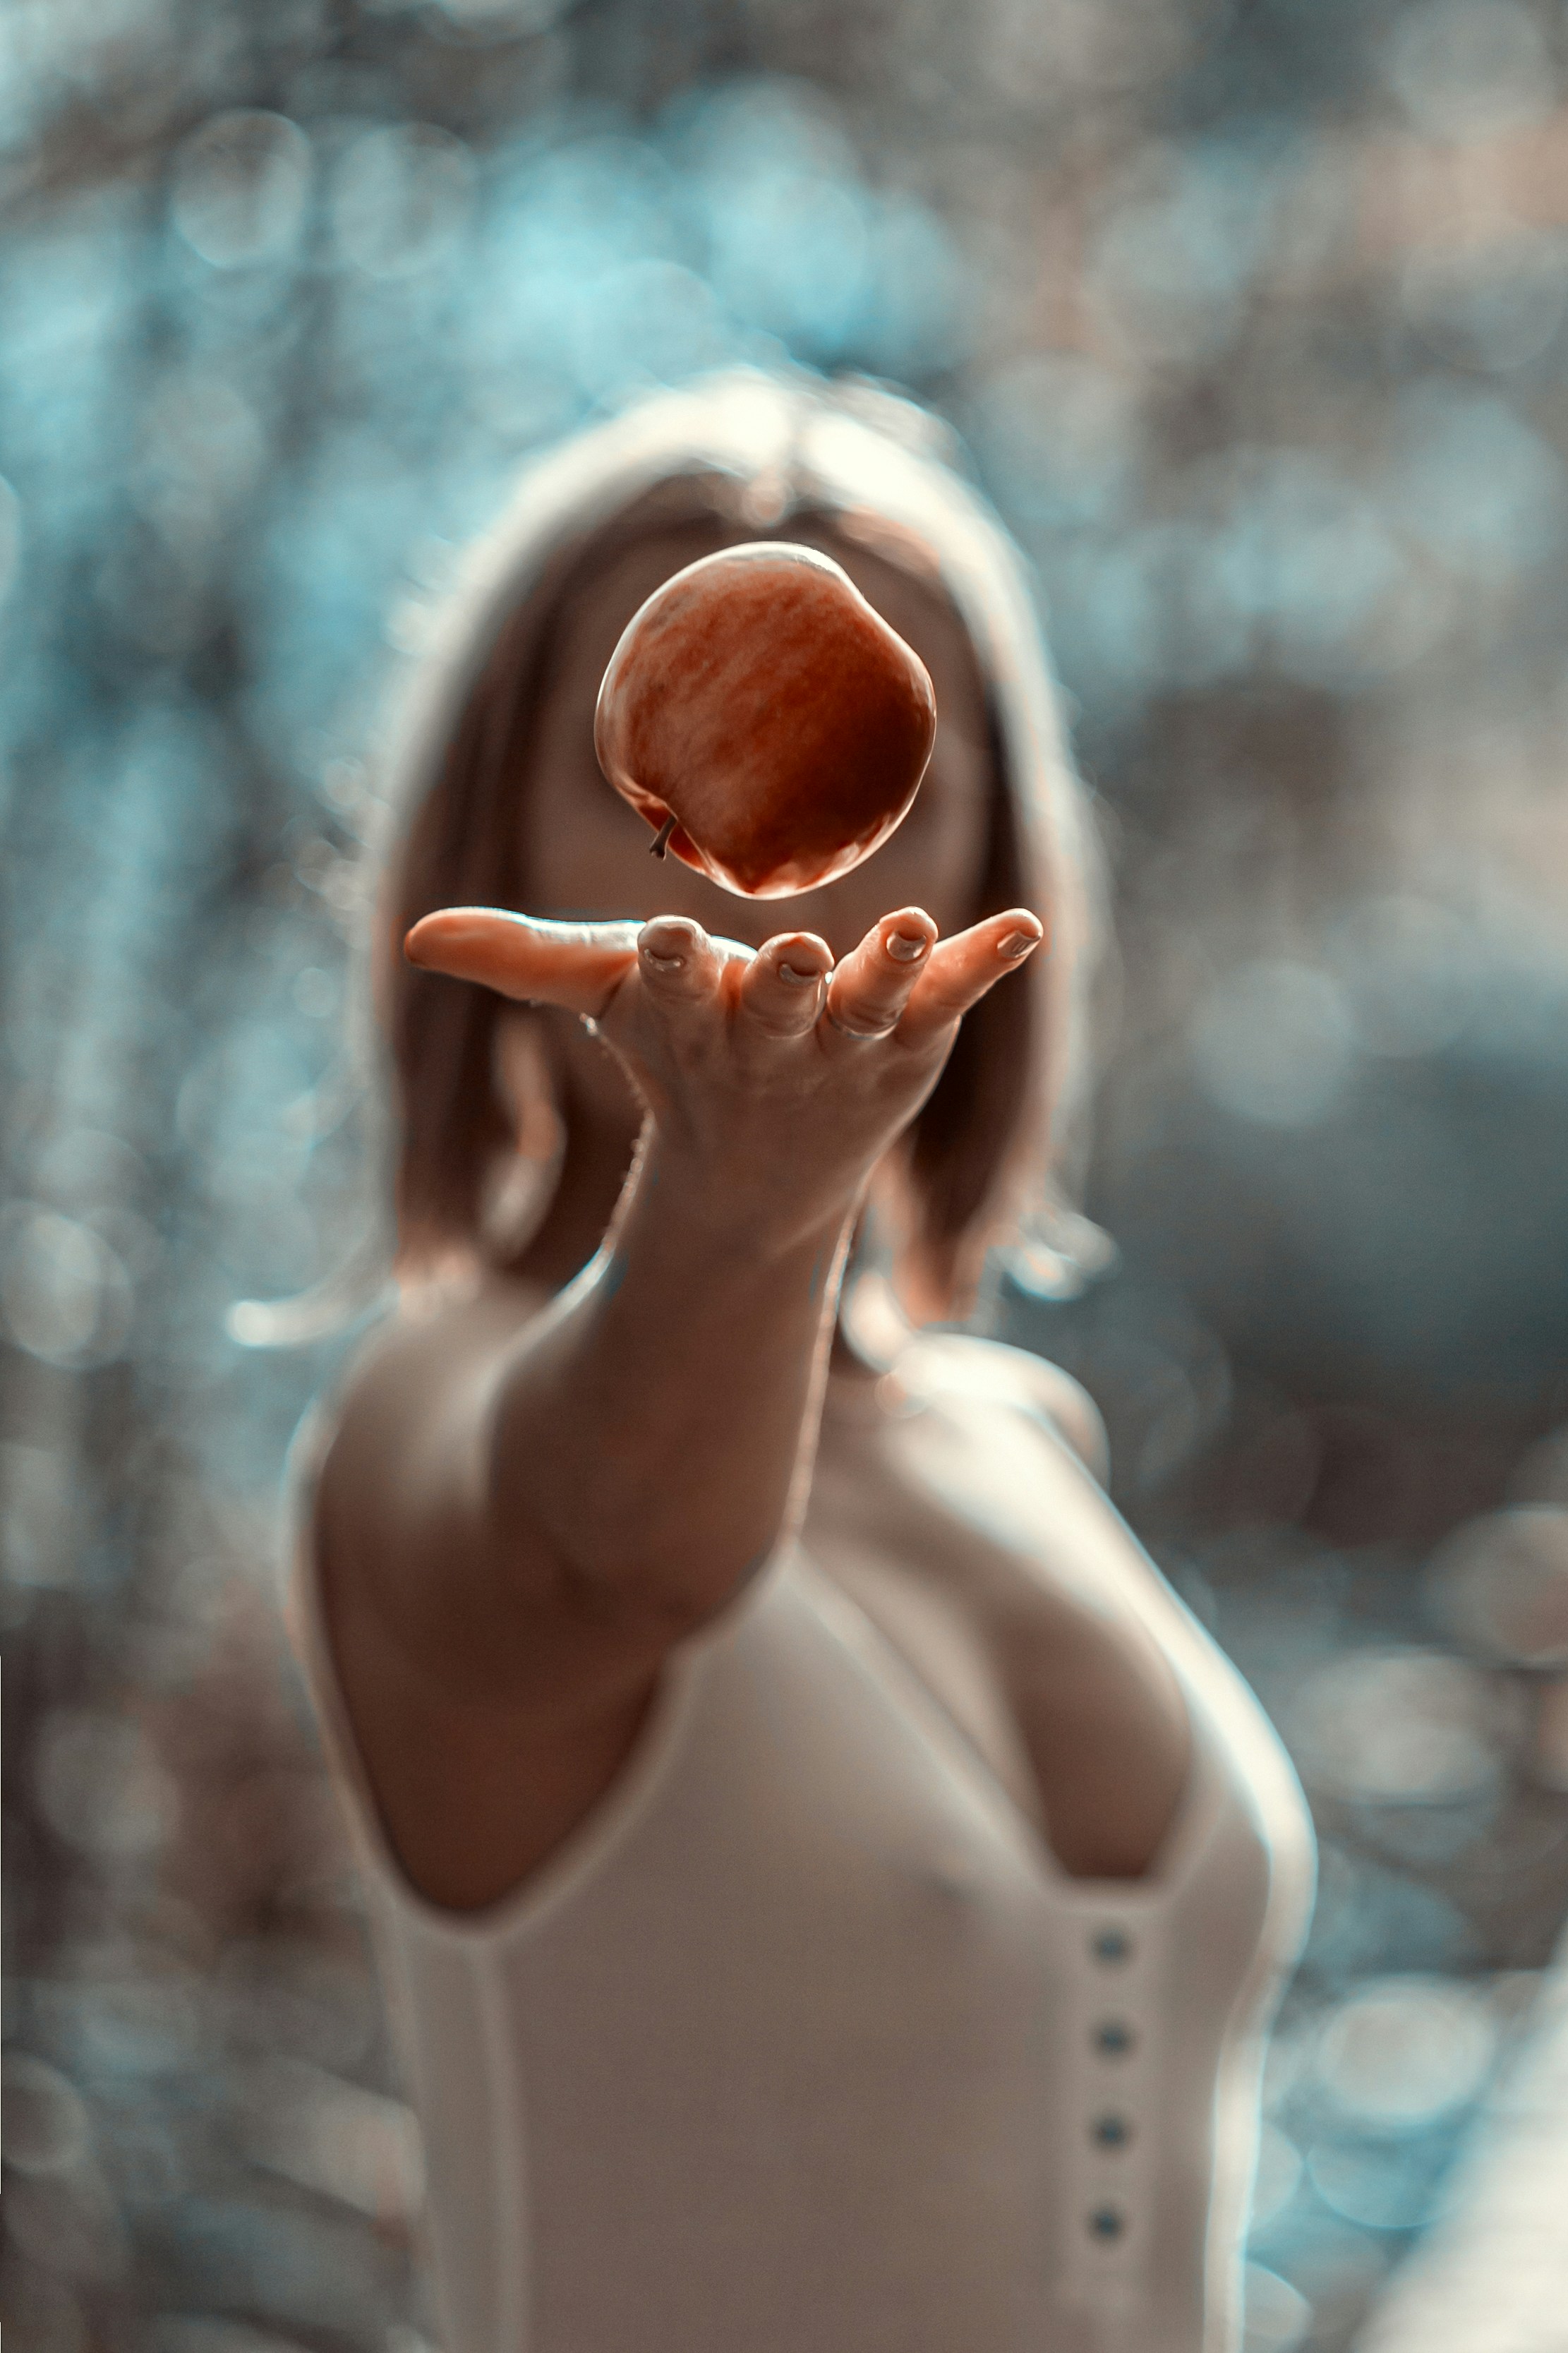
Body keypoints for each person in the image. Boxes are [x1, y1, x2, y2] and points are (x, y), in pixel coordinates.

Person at [288, 370, 1315, 2353]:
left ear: (1001, 839)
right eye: (668, 762)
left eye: (874, 777)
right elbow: (623, 1552)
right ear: (496, 807)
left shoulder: (1024, 1439)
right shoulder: (419, 1414)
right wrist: (737, 1214)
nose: (774, 870)